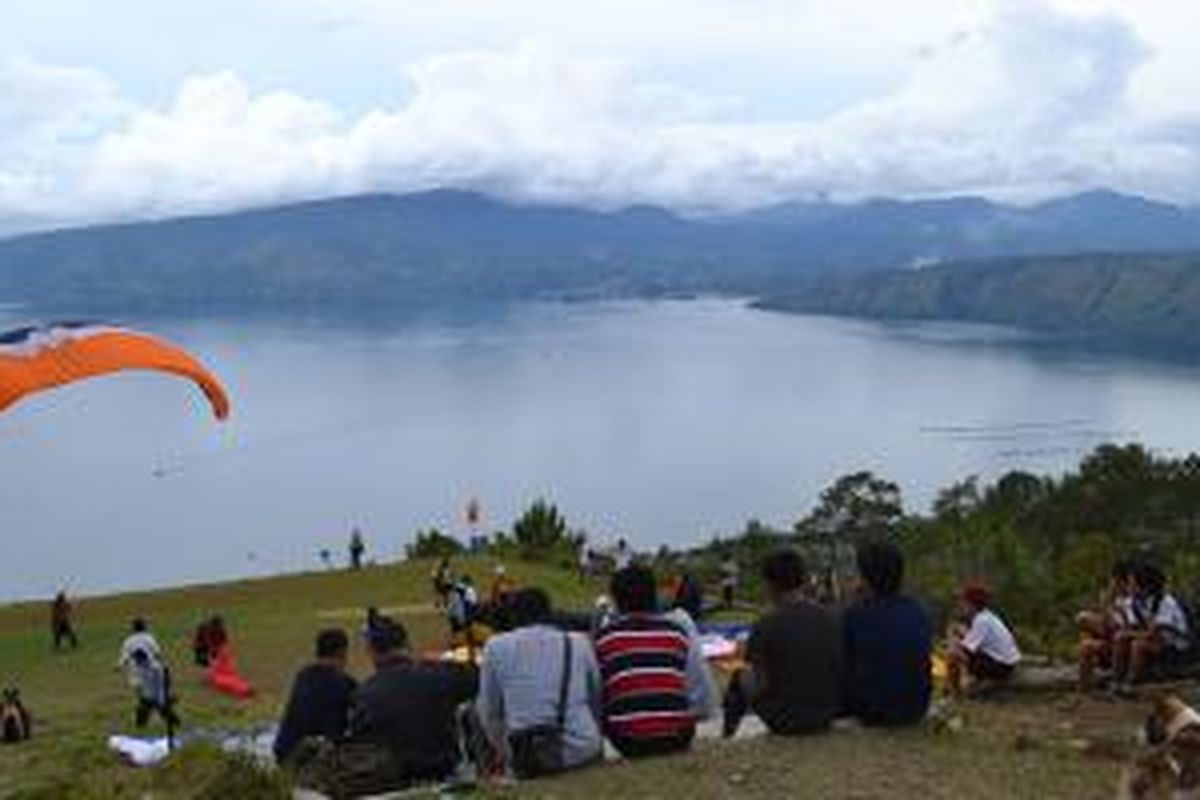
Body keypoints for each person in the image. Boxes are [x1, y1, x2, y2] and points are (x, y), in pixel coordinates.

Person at [475, 588, 603, 778]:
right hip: (583, 749)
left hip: (528, 754)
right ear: (550, 613)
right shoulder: (578, 641)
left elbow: (488, 712)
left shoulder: (495, 646)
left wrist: (506, 751)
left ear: (513, 616)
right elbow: (596, 698)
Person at [595, 565, 717, 758]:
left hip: (627, 741)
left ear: (616, 601)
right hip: (679, 737)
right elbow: (697, 686)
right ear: (654, 596)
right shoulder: (676, 632)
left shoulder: (605, 638)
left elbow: (599, 693)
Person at [346, 616, 478, 787]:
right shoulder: (441, 674)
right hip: (443, 770)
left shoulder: (363, 693)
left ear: (372, 651)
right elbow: (478, 678)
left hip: (392, 778)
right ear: (406, 644)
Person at [723, 549, 842, 737]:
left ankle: (728, 734)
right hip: (828, 713)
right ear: (802, 580)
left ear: (770, 584)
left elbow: (761, 684)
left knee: (740, 675)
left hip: (785, 720)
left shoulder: (766, 625)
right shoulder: (831, 617)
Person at [842, 541, 932, 725]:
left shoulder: (856, 614)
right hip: (917, 707)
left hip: (872, 710)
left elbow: (845, 662)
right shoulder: (919, 610)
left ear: (865, 577)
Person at [274, 629, 358, 765]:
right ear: (342, 653)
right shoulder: (345, 683)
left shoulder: (303, 676)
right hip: (317, 760)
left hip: (285, 754)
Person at [1112, 563, 1192, 691]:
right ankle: (1116, 680)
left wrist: (1130, 634)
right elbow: (1135, 626)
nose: (1129, 586)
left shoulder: (1165, 602)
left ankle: (1131, 683)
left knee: (1138, 645)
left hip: (1174, 645)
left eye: (1132, 583)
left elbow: (1155, 632)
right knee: (1121, 639)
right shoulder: (1136, 602)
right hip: (1154, 639)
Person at [946, 582, 1021, 698]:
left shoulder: (982, 621)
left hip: (1002, 667)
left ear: (972, 604)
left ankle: (955, 694)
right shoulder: (986, 617)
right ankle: (970, 684)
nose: (960, 605)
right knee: (958, 644)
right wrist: (961, 634)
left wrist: (952, 639)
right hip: (1006, 662)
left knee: (953, 655)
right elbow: (974, 640)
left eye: (963, 602)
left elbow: (966, 650)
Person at [1078, 559, 1137, 691]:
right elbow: (1106, 625)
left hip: (1124, 644)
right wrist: (1106, 605)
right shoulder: (1115, 599)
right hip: (1111, 639)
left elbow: (1130, 626)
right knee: (1085, 644)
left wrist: (1113, 614)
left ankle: (1115, 681)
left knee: (1091, 633)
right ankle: (1084, 688)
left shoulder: (1132, 600)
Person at [129, 648, 180, 745]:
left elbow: (163, 683)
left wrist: (162, 698)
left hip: (159, 694)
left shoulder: (156, 668)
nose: (135, 662)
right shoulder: (140, 667)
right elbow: (140, 681)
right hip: (147, 695)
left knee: (165, 712)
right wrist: (140, 689)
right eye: (135, 660)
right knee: (141, 711)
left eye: (137, 659)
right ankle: (140, 729)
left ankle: (177, 725)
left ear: (143, 658)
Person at [118, 618, 163, 684]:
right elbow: (157, 653)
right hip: (150, 667)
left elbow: (125, 656)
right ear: (144, 627)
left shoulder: (129, 640)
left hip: (135, 669)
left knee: (139, 687)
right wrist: (162, 664)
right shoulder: (149, 638)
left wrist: (120, 665)